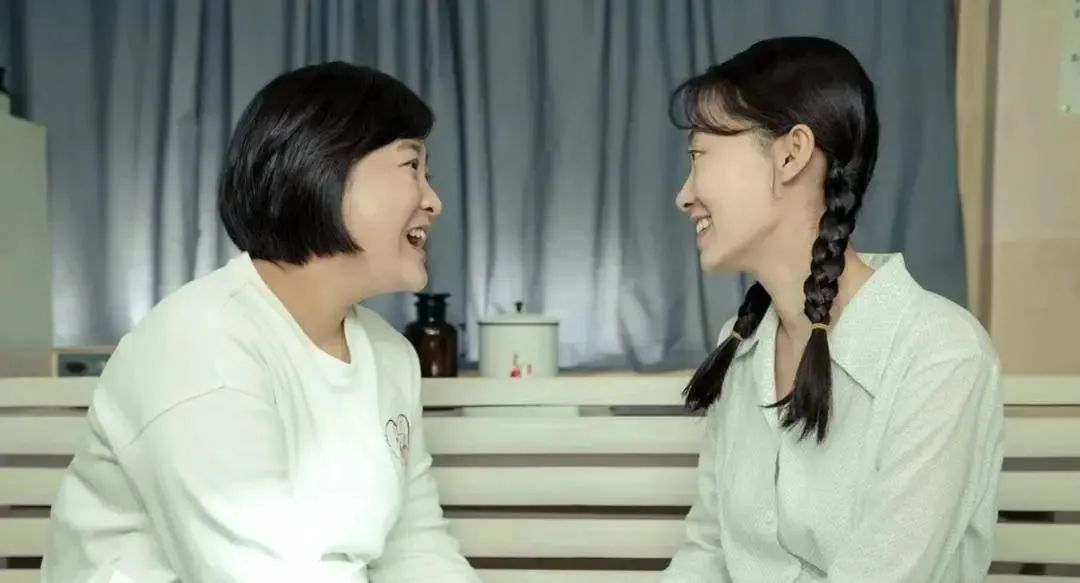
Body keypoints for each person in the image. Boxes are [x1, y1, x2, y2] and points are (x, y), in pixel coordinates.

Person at [43, 62, 481, 583]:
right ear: (324, 164)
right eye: (411, 166)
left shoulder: (390, 356)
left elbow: (415, 546)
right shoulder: (200, 344)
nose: (434, 201)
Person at [661, 37, 1004, 582]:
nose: (684, 195)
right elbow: (707, 553)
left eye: (699, 155)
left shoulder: (940, 355)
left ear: (791, 154)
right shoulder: (740, 347)